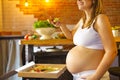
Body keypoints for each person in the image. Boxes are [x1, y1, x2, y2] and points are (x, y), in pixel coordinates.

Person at [51, 0, 117, 80]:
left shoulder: (100, 18)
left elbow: (112, 51)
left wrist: (95, 77)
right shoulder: (83, 20)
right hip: (78, 77)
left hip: (93, 75)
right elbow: (71, 36)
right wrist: (61, 25)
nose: (78, 0)